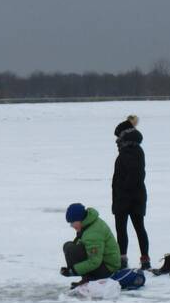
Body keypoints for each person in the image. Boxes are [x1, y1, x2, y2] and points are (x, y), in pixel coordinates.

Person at [112, 115, 150, 269]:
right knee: (136, 228)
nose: (116, 141)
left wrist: (122, 191)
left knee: (128, 229)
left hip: (126, 197)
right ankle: (140, 259)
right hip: (136, 196)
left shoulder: (129, 151)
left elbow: (134, 175)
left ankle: (126, 260)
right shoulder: (135, 150)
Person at [61, 203, 123, 288]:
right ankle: (87, 278)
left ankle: (91, 279)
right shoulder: (89, 224)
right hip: (105, 262)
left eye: (72, 222)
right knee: (69, 246)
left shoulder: (93, 234)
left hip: (109, 268)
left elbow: (94, 261)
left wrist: (73, 270)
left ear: (80, 219)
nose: (71, 225)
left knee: (71, 250)